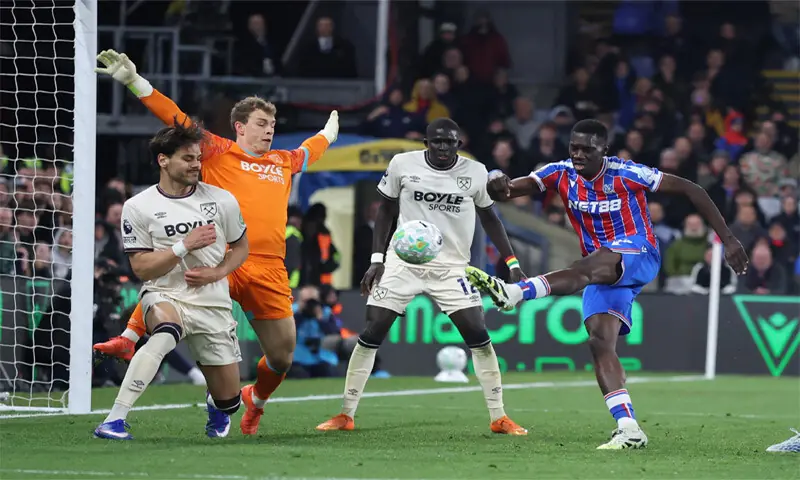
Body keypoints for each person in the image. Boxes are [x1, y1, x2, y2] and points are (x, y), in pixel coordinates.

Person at [92, 49, 339, 435]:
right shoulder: (217, 150)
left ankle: (255, 400)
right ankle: (129, 337)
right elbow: (175, 117)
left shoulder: (283, 161)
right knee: (170, 289)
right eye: (261, 123)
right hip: (219, 255)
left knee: (282, 357)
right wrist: (135, 82)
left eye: (273, 124)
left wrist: (328, 134)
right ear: (240, 126)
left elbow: (311, 151)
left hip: (267, 267)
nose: (269, 130)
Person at [464, 119, 749, 449]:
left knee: (584, 268)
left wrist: (728, 239)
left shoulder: (627, 173)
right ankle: (629, 428)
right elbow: (508, 190)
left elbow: (692, 189)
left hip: (638, 252)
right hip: (602, 268)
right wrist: (497, 179)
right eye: (574, 148)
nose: (578, 154)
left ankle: (515, 292)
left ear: (604, 150)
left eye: (587, 149)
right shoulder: (559, 173)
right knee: (600, 341)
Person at [316, 118, 527, 435]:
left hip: (451, 267)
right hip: (403, 263)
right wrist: (377, 260)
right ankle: (346, 414)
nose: (443, 147)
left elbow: (490, 219)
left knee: (478, 333)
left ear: (458, 144)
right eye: (437, 141)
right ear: (426, 143)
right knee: (373, 329)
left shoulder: (475, 172)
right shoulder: (402, 164)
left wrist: (512, 262)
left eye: (449, 142)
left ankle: (499, 417)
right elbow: (386, 210)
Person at [94, 122, 249, 440]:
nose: (196, 165)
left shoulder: (222, 201)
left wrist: (217, 272)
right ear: (163, 160)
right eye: (187, 158)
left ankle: (216, 403)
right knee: (165, 332)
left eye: (198, 158)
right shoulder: (138, 206)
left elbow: (242, 247)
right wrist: (184, 246)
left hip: (212, 300)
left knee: (230, 401)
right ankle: (114, 419)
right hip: (164, 291)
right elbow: (142, 268)